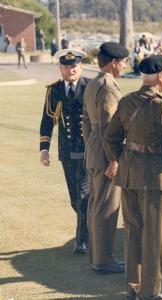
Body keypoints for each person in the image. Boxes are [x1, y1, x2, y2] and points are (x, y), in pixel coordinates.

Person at [105, 55, 162, 300]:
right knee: (154, 235)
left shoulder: (127, 101)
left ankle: (133, 286)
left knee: (133, 231)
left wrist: (121, 158)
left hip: (129, 175)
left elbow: (111, 137)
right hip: (156, 177)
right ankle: (152, 291)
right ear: (161, 77)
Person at [82, 42, 129, 274]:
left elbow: (86, 124)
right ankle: (103, 261)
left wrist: (91, 147)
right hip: (105, 156)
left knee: (95, 206)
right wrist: (113, 159)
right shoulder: (108, 87)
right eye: (123, 62)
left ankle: (96, 257)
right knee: (106, 208)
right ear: (113, 63)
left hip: (93, 152)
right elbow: (108, 126)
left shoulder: (92, 83)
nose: (124, 66)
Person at [39, 49, 91, 254]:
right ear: (60, 68)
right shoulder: (54, 90)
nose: (71, 69)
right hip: (67, 151)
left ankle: (81, 241)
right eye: (67, 66)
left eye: (75, 65)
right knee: (75, 199)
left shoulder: (91, 87)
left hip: (88, 151)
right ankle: (89, 231)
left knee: (84, 194)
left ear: (82, 67)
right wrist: (44, 149)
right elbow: (46, 120)